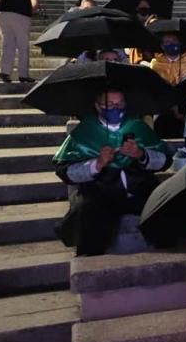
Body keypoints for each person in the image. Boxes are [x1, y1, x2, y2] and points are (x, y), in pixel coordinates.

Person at [53, 90, 170, 256]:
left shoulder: (137, 126)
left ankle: (165, 251)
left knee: (164, 202)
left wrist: (141, 154)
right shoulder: (85, 132)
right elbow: (66, 172)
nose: (116, 109)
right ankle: (92, 259)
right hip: (102, 190)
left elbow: (165, 160)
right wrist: (98, 164)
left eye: (120, 104)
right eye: (110, 105)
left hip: (138, 186)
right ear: (98, 107)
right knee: (88, 210)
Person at [126, 0, 160, 65]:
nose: (144, 7)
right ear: (137, 8)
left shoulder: (153, 19)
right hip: (136, 48)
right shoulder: (131, 20)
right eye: (142, 6)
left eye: (146, 6)